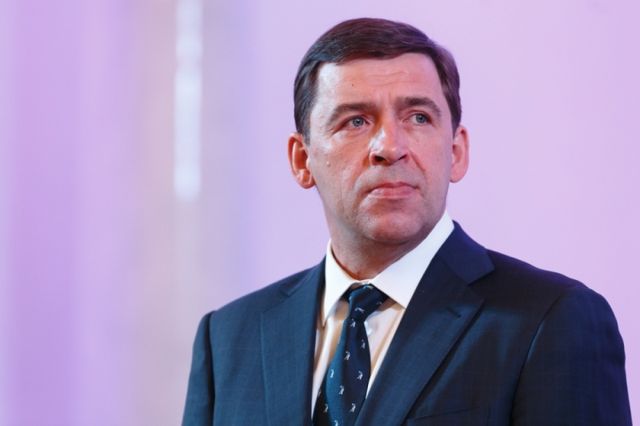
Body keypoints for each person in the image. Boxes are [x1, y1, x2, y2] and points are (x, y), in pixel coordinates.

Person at [182, 18, 631, 425]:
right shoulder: (228, 338)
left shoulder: (552, 320)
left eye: (418, 117)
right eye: (355, 121)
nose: (390, 147)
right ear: (302, 160)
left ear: (456, 151)